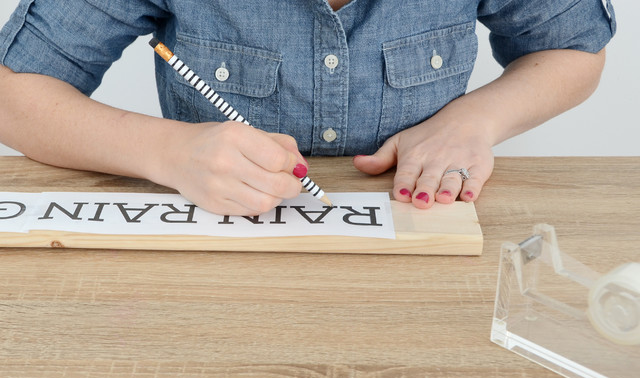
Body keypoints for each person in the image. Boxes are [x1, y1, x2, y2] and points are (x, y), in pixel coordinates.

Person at [0, 0, 616, 216]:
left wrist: (471, 123)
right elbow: (15, 97)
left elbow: (573, 49)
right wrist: (169, 151)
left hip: (423, 246)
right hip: (213, 253)